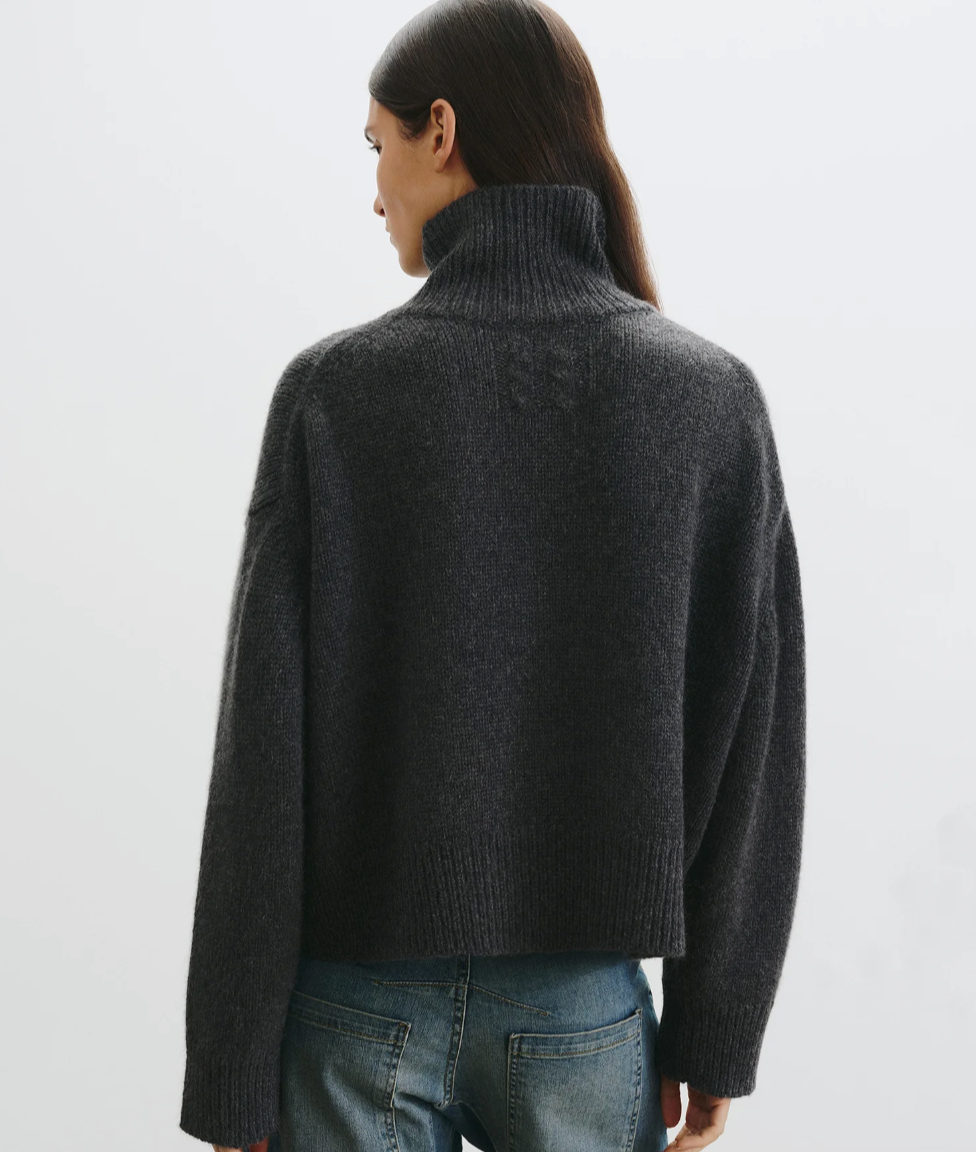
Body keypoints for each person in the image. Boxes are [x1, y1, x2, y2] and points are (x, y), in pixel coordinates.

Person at [179, 1, 806, 1150]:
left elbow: (262, 762)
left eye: (377, 146)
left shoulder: (334, 396)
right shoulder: (709, 401)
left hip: (351, 1009)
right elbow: (753, 746)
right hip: (582, 1018)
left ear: (441, 131)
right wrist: (716, 1025)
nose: (376, 192)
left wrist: (230, 1068)